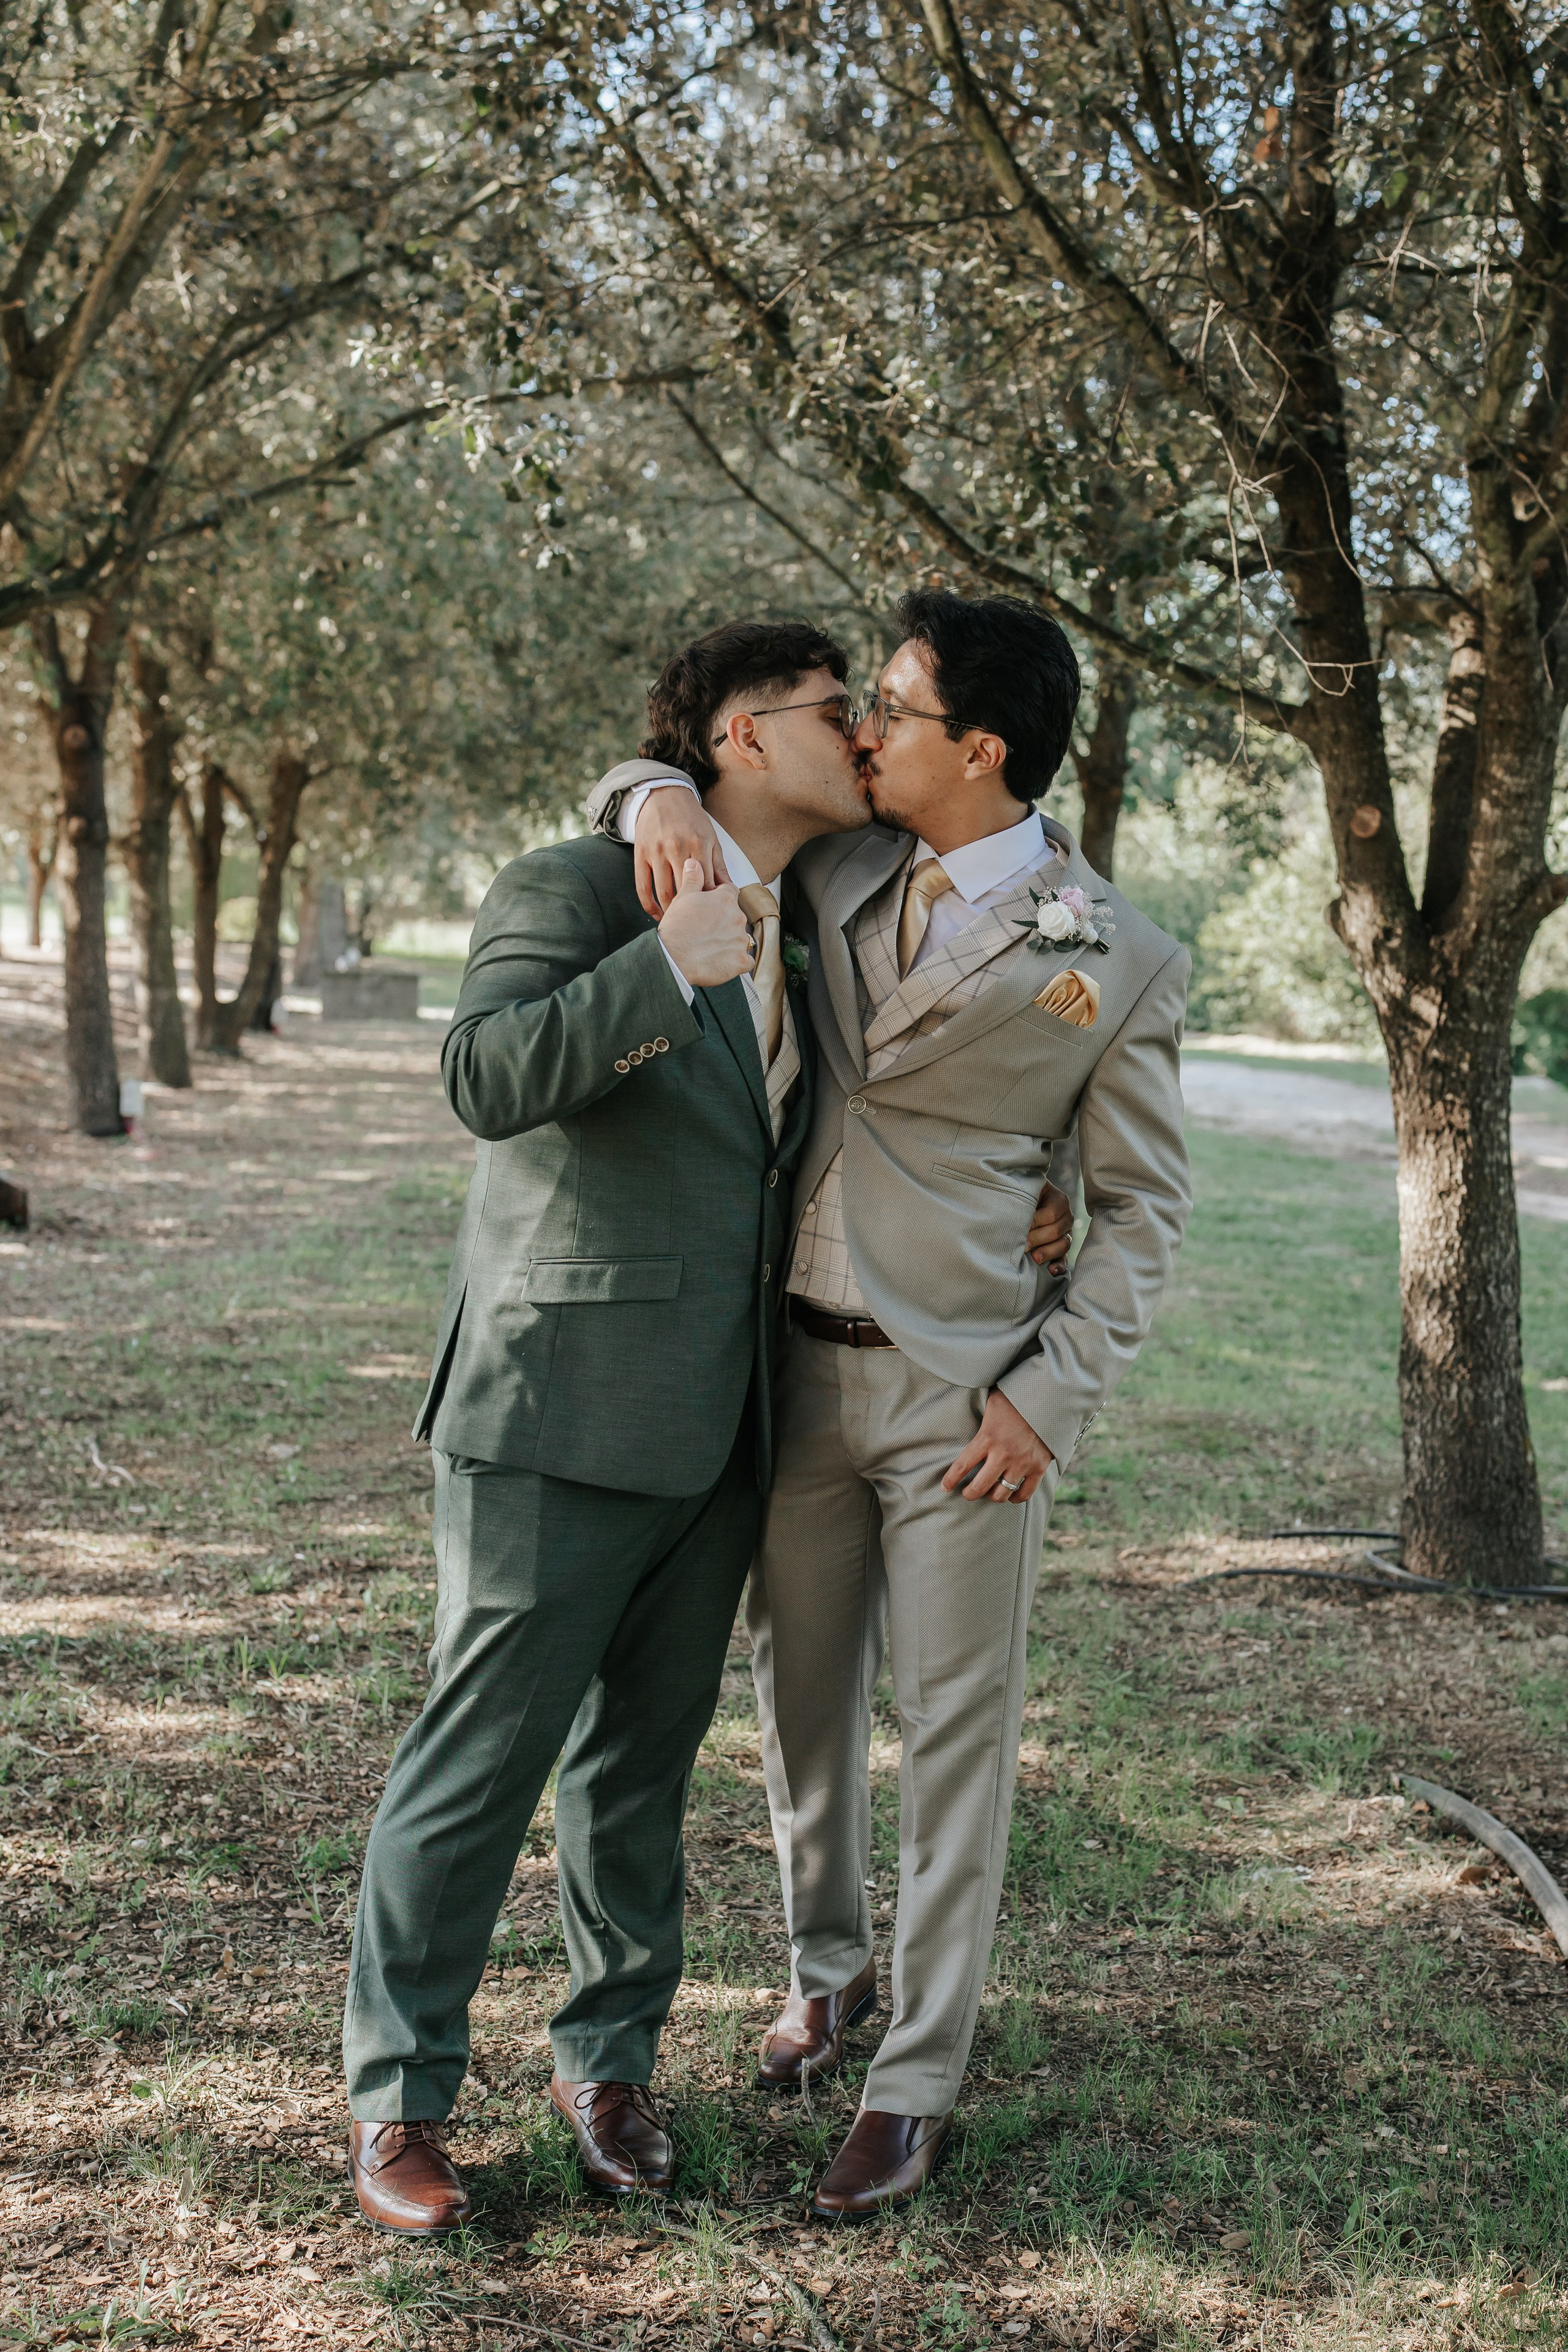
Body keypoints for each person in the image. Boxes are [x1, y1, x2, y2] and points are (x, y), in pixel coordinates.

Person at [588, 589, 1191, 2220]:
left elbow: (1140, 1212)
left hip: (968, 1408)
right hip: (791, 1367)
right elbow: (666, 797)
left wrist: (1050, 1401)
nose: (862, 731)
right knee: (801, 1709)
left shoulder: (1115, 959)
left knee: (955, 1745)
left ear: (979, 749)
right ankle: (830, 1968)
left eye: (897, 709)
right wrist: (647, 794)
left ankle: (914, 2081)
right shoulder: (836, 867)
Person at [340, 620, 875, 2231]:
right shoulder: (573, 888)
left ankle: (610, 2062)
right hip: (556, 1403)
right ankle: (398, 2101)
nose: (862, 737)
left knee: (638, 1774)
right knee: (480, 1757)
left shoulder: (820, 917)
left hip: (724, 1425)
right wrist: (661, 966)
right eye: (834, 711)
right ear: (735, 736)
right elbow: (486, 1074)